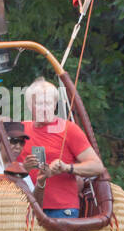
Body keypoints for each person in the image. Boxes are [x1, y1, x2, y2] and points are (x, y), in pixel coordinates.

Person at [15, 76, 106, 218]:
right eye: (39, 104)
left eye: (48, 103)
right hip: (27, 208)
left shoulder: (69, 129)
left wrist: (67, 168)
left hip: (62, 209)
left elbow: (97, 167)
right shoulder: (21, 129)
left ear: (55, 105)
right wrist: (23, 168)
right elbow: (2, 162)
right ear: (29, 105)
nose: (44, 108)